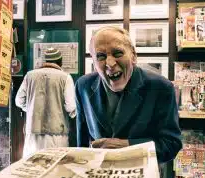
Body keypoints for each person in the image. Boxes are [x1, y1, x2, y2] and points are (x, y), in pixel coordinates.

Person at [75, 26, 182, 165]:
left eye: (118, 53)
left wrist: (124, 146)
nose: (110, 63)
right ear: (94, 61)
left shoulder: (161, 88)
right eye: (100, 56)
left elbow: (171, 144)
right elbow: (81, 143)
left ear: (133, 56)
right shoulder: (83, 86)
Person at [16, 47, 76, 158]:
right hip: (57, 135)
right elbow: (71, 106)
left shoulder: (30, 76)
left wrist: (30, 108)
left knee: (32, 168)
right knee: (55, 168)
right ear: (60, 61)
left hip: (33, 134)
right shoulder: (66, 77)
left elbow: (19, 101)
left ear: (46, 61)